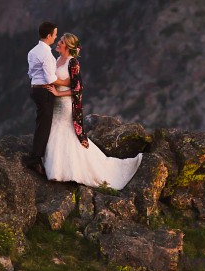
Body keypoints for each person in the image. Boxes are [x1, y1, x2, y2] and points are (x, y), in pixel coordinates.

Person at [42, 33, 142, 189]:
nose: (58, 42)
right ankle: (57, 168)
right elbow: (61, 81)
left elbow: (78, 88)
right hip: (56, 104)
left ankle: (67, 170)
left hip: (66, 103)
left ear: (67, 46)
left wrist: (58, 93)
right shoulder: (57, 60)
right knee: (55, 130)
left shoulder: (72, 62)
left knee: (65, 130)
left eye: (61, 41)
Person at [24, 20, 59, 174]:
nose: (56, 38)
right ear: (49, 35)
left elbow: (31, 73)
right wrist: (68, 82)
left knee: (41, 123)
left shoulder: (32, 51)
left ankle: (36, 155)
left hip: (35, 89)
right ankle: (35, 158)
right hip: (45, 91)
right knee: (44, 125)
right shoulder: (46, 53)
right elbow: (51, 79)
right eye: (55, 35)